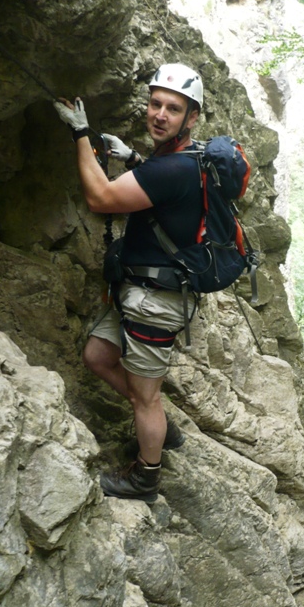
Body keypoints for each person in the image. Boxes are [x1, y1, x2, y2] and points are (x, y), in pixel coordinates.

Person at [54, 63, 204, 504]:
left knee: (145, 398)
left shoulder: (172, 168)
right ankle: (157, 423)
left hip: (155, 301)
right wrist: (134, 159)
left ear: (191, 117)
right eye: (155, 104)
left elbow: (101, 199)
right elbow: (164, 197)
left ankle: (146, 477)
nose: (159, 114)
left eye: (172, 109)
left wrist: (81, 133)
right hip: (138, 293)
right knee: (98, 355)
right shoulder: (183, 161)